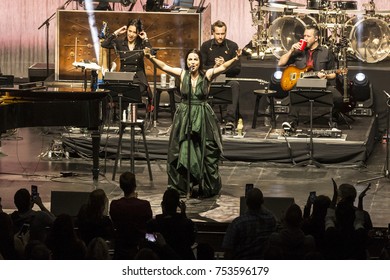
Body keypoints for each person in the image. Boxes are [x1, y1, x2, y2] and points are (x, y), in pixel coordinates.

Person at [144, 47, 242, 198]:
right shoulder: (182, 74)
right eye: (190, 59)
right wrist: (150, 58)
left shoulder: (208, 74)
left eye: (195, 59)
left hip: (202, 115)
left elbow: (223, 67)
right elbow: (164, 66)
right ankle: (184, 185)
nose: (193, 62)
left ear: (200, 61)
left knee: (205, 149)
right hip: (185, 116)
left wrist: (235, 59)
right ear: (187, 62)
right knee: (183, 148)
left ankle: (204, 185)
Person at [278, 25, 343, 129]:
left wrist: (325, 75)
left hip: (320, 84)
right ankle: (291, 123)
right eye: (304, 36)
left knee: (338, 98)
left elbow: (334, 73)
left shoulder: (326, 52)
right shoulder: (299, 51)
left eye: (308, 36)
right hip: (302, 84)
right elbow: (281, 63)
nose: (305, 39)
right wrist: (291, 51)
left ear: (316, 38)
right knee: (293, 92)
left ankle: (333, 120)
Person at [101, 18, 153, 112]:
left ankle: (129, 116)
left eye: (134, 32)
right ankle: (122, 117)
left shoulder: (141, 44)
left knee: (131, 91)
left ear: (138, 33)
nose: (131, 34)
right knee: (115, 91)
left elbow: (151, 53)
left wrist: (145, 38)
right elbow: (104, 44)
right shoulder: (120, 43)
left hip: (138, 79)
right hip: (124, 77)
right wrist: (116, 33)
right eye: (129, 31)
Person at [200, 20, 241, 123]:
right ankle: (202, 117)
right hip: (210, 80)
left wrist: (224, 65)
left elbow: (237, 69)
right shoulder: (205, 46)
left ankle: (230, 119)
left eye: (222, 34)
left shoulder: (232, 46)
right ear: (213, 33)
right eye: (217, 34)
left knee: (235, 84)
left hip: (227, 79)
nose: (220, 37)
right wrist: (214, 67)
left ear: (226, 33)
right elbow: (201, 67)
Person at [222, 187, 276, 259]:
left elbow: (227, 248)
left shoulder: (238, 223)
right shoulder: (270, 219)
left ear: (246, 202)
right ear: (262, 201)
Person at [109, 171, 153, 259]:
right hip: (139, 249)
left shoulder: (115, 205)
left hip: (120, 249)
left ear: (121, 186)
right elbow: (149, 222)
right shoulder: (144, 205)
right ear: (135, 186)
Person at [146, 188, 196, 259]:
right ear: (178, 205)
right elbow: (190, 241)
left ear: (162, 204)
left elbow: (149, 242)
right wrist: (183, 214)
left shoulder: (153, 224)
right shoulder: (187, 224)